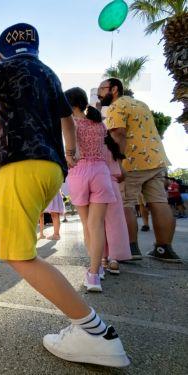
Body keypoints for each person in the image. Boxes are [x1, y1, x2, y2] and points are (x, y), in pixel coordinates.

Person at [0, 23, 129, 368]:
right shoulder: (49, 75)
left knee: (20, 255)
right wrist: (70, 154)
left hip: (19, 165)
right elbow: (67, 122)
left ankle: (95, 332)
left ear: (0, 53)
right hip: (51, 168)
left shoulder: (0, 70)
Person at [98, 78, 180, 262]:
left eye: (102, 89)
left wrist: (117, 163)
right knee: (159, 201)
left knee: (125, 203)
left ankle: (130, 248)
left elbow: (118, 133)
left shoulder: (116, 106)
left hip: (132, 162)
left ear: (114, 89)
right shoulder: (141, 104)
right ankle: (164, 249)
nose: (99, 93)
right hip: (156, 159)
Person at [65, 87, 117, 291]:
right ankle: (95, 271)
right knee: (97, 225)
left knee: (87, 225)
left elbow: (71, 151)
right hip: (101, 173)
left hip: (79, 173)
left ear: (71, 104)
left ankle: (95, 271)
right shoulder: (99, 123)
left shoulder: (70, 123)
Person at [102, 133, 132, 274]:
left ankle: (102, 258)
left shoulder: (93, 145)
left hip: (96, 184)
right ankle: (114, 259)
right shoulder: (113, 148)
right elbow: (122, 174)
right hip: (113, 186)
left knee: (97, 223)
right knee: (115, 223)